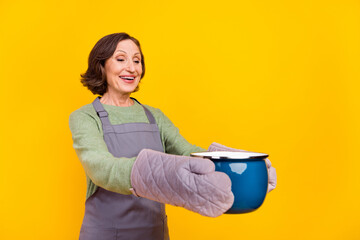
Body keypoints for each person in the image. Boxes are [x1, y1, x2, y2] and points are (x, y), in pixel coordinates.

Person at [69, 32, 277, 240]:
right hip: (106, 234)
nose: (132, 68)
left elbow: (187, 152)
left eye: (137, 60)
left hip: (154, 233)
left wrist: (234, 165)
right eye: (121, 59)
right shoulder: (85, 117)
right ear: (101, 65)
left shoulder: (154, 116)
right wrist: (157, 173)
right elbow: (101, 168)